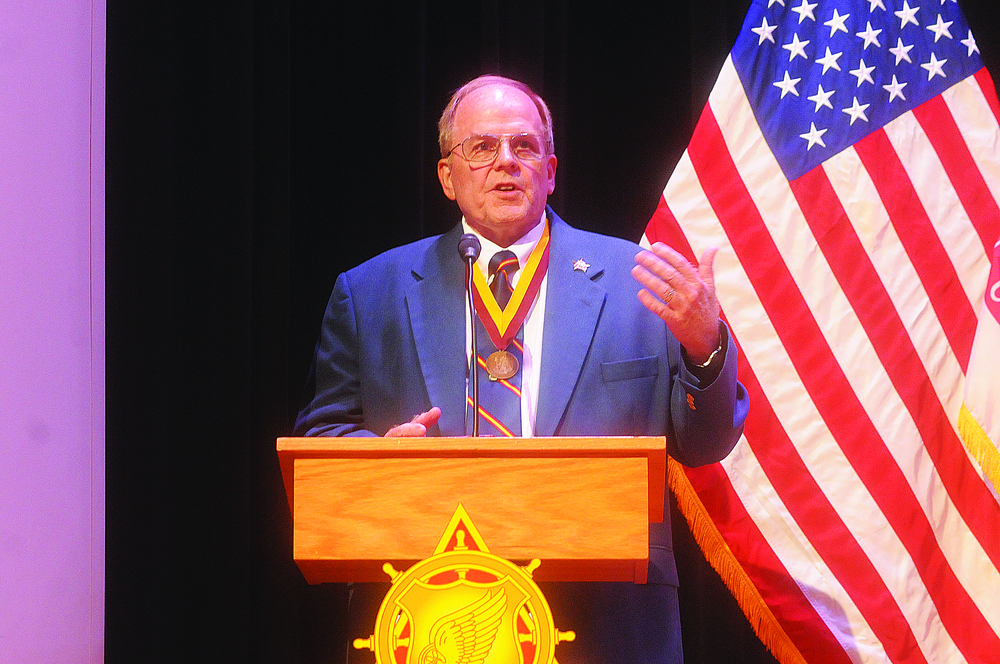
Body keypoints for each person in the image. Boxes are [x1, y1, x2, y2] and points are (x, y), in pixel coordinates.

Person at [295, 74, 749, 663]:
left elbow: (704, 443)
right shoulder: (370, 293)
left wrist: (703, 345)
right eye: (482, 148)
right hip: (432, 621)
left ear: (551, 169)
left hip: (607, 624)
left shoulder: (639, 281)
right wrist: (381, 455)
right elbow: (322, 440)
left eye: (524, 146)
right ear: (447, 177)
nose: (506, 162)